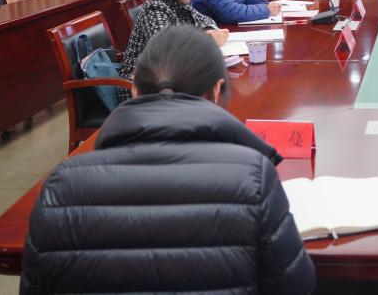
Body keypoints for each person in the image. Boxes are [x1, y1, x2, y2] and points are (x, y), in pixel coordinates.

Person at [20, 25, 316, 294]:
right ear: (216, 91)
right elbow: (295, 287)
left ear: (134, 90)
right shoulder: (253, 179)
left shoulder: (60, 186)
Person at [117, 0, 229, 103]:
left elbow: (206, 21)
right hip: (142, 84)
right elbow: (167, 52)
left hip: (171, 78)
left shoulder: (180, 4)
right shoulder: (154, 9)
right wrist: (206, 38)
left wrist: (211, 30)